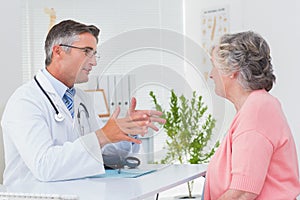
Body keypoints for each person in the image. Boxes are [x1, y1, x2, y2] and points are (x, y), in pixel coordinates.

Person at [1, 19, 165, 185]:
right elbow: (44, 166)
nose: (93, 62)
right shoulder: (25, 101)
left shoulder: (81, 98)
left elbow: (102, 156)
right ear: (58, 52)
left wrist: (125, 132)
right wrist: (102, 135)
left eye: (94, 54)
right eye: (87, 52)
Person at [204, 31, 300, 199]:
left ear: (232, 70)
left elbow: (243, 193)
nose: (211, 74)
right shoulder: (256, 107)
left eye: (214, 65)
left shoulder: (256, 112)